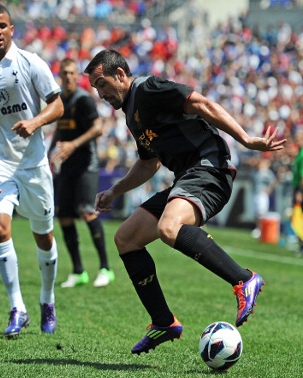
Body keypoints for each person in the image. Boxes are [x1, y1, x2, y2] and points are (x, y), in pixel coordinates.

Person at [84, 49, 286, 355]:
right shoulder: (131, 112)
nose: (100, 93)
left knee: (169, 226)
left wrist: (245, 139)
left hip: (210, 169)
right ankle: (163, 322)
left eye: (102, 83)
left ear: (121, 75)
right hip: (187, 177)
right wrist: (115, 191)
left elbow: (201, 103)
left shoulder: (148, 89)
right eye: (96, 88)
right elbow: (148, 163)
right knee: (126, 238)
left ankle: (244, 280)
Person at [0, 3, 64, 338]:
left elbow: (57, 104)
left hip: (33, 164)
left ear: (11, 29)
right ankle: (17, 307)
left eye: (3, 25)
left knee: (43, 236)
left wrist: (35, 122)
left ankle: (47, 300)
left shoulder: (31, 62)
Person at [49, 58, 114, 288]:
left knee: (88, 212)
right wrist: (49, 153)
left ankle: (105, 268)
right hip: (66, 166)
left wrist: (73, 145)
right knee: (64, 216)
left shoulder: (84, 99)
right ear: (60, 75)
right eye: (64, 73)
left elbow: (98, 128)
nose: (68, 77)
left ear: (77, 76)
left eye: (71, 73)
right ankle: (78, 271)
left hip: (86, 164)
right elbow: (59, 129)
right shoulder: (61, 100)